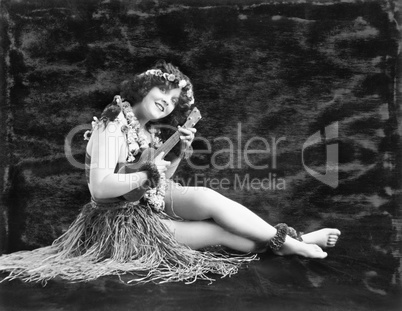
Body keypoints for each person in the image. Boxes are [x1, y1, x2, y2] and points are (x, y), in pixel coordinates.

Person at [0, 61, 340, 284]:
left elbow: (160, 181)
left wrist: (177, 150)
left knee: (208, 197)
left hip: (147, 202)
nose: (168, 100)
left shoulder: (146, 131)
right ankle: (294, 242)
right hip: (121, 223)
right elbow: (101, 188)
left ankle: (291, 241)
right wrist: (148, 173)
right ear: (143, 87)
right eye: (163, 90)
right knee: (215, 232)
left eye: (174, 99)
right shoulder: (111, 124)